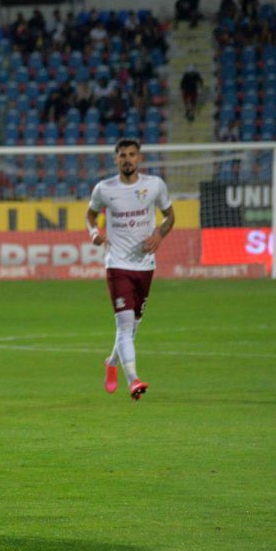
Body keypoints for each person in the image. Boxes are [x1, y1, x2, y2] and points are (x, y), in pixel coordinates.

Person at [84, 138, 175, 401]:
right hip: (117, 264)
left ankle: (111, 363)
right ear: (115, 160)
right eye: (122, 155)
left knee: (133, 326)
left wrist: (159, 235)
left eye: (132, 154)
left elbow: (170, 216)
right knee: (124, 325)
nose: (127, 159)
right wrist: (94, 233)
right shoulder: (104, 189)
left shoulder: (154, 185)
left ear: (139, 159)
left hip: (145, 265)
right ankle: (133, 380)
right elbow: (90, 214)